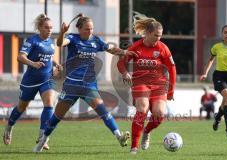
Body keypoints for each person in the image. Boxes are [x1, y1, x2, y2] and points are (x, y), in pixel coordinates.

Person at [33, 13, 137, 152]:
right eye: (87, 29)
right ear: (79, 29)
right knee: (57, 117)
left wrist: (124, 52)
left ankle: (119, 136)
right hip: (71, 85)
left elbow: (110, 49)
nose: (90, 31)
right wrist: (63, 32)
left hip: (89, 85)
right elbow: (59, 43)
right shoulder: (72, 39)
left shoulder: (96, 41)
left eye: (92, 29)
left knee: (103, 112)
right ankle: (43, 140)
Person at [117, 13, 176, 154]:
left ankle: (147, 131)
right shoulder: (135, 47)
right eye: (156, 35)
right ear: (148, 33)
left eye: (160, 35)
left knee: (159, 113)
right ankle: (134, 148)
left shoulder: (163, 48)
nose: (159, 38)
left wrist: (171, 91)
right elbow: (121, 63)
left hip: (159, 84)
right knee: (142, 108)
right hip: (140, 83)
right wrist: (125, 73)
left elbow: (172, 69)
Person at [3, 14, 60, 150]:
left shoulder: (51, 42)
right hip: (30, 81)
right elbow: (20, 57)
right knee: (22, 107)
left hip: (46, 79)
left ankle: (42, 137)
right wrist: (33, 63)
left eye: (51, 28)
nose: (49, 30)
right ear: (40, 27)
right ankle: (9, 127)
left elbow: (49, 58)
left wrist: (56, 64)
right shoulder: (32, 40)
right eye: (46, 27)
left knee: (49, 104)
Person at [200, 24, 227, 138]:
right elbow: (210, 60)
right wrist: (205, 73)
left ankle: (217, 118)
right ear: (222, 35)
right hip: (219, 76)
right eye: (225, 32)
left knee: (226, 102)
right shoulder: (216, 47)